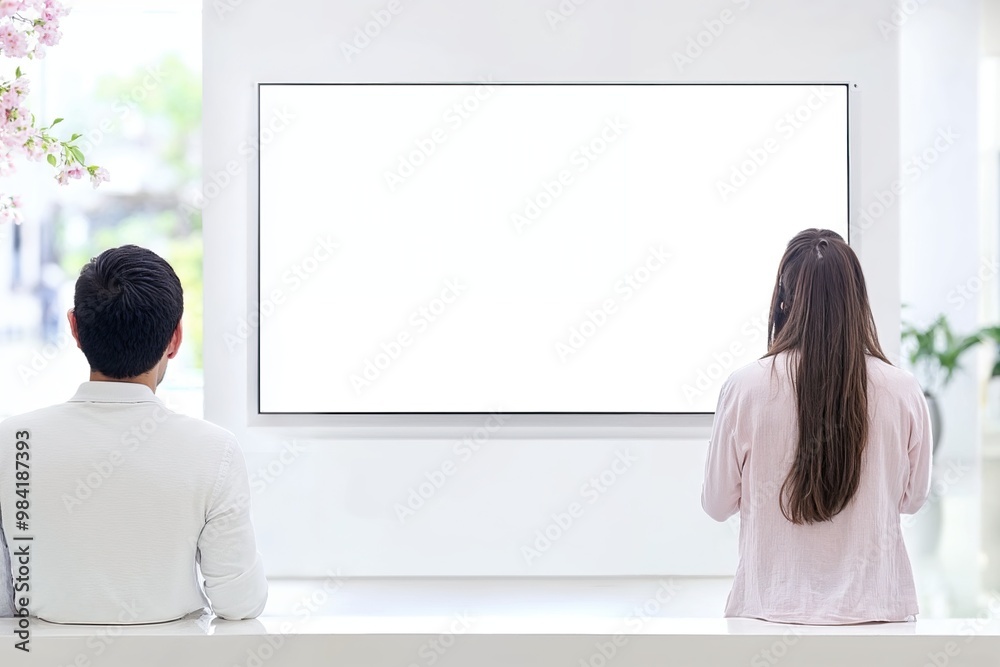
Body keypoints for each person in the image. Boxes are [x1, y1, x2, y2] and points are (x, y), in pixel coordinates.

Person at [0, 245, 268, 624]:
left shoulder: (10, 442)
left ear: (74, 327)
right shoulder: (213, 451)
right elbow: (240, 604)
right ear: (175, 339)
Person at [701, 228, 932, 624]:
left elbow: (717, 503)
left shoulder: (745, 387)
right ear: (858, 299)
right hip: (877, 617)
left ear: (785, 299)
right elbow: (912, 500)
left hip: (770, 616)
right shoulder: (902, 389)